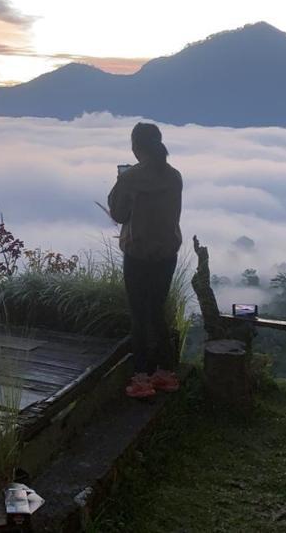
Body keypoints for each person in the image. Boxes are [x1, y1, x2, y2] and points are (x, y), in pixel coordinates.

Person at [107, 122, 183, 400]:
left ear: (136, 147)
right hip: (167, 255)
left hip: (138, 254)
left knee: (139, 315)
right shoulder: (174, 176)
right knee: (157, 311)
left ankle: (141, 378)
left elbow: (118, 213)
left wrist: (120, 181)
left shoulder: (131, 179)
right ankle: (165, 373)